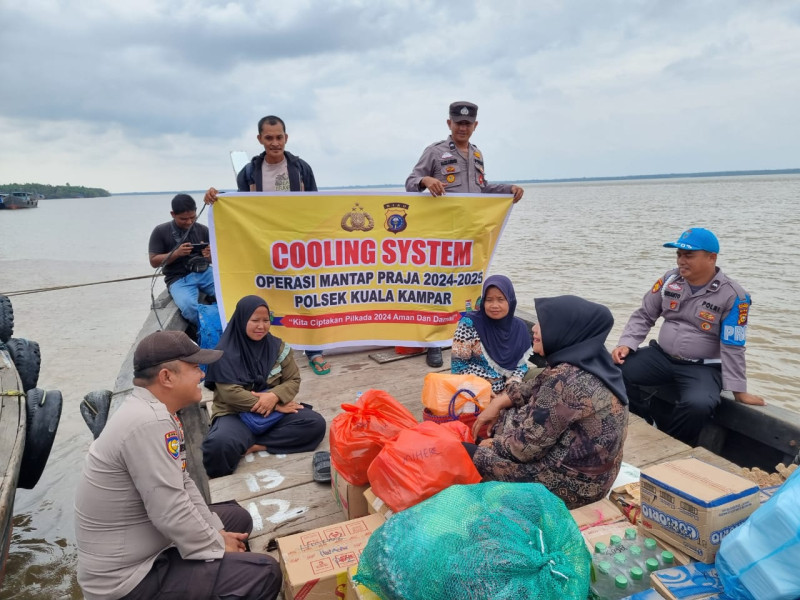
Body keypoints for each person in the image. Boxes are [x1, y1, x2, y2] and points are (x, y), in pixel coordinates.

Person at [74, 330, 282, 600]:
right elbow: (170, 510)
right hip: (129, 580)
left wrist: (216, 534)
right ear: (166, 377)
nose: (203, 375)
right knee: (263, 573)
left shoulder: (153, 410)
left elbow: (182, 483)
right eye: (195, 368)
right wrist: (218, 545)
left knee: (236, 518)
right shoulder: (148, 423)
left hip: (150, 542)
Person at [469, 295, 629, 509]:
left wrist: (490, 445)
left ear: (564, 329)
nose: (534, 328)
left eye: (543, 324)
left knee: (470, 454)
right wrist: (497, 403)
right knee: (507, 412)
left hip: (572, 489)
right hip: (600, 478)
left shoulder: (565, 380)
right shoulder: (593, 361)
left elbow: (523, 449)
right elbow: (533, 387)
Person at [611, 227, 765, 446]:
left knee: (699, 404)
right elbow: (645, 314)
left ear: (712, 258)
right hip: (661, 357)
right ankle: (644, 420)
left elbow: (733, 345)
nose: (681, 260)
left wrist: (739, 390)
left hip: (702, 368)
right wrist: (626, 343)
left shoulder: (734, 296)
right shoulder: (669, 280)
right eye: (679, 254)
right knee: (613, 370)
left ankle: (672, 444)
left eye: (689, 255)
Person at [204, 115, 330, 375]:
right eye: (269, 138)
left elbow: (316, 207)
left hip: (298, 246)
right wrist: (217, 199)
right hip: (263, 245)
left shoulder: (301, 168)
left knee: (305, 295)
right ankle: (269, 353)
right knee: (268, 297)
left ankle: (314, 351)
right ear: (260, 139)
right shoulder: (249, 172)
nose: (275, 143)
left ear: (286, 137)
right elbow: (239, 209)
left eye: (279, 137)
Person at [406, 101, 524, 368]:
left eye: (467, 123)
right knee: (437, 287)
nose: (462, 127)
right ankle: (434, 344)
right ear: (449, 123)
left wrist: (509, 189)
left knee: (468, 287)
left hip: (471, 236)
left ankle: (463, 337)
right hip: (443, 235)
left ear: (475, 126)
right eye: (458, 122)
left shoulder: (477, 154)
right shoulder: (434, 152)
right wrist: (425, 181)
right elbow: (410, 182)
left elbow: (481, 189)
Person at [202, 295, 327, 478]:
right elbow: (230, 394)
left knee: (315, 424)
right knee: (217, 445)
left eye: (266, 320)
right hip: (236, 414)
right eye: (254, 321)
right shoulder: (223, 352)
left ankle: (255, 445)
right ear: (242, 319)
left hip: (273, 414)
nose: (261, 326)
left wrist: (274, 396)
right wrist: (274, 404)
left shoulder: (277, 347)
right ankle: (242, 441)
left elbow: (293, 380)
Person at [450, 275, 532, 393]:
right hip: (472, 393)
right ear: (483, 301)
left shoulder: (519, 328)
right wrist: (481, 390)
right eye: (489, 300)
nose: (494, 305)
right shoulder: (469, 324)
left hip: (507, 394)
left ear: (510, 300)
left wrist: (511, 385)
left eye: (500, 299)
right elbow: (458, 367)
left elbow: (521, 365)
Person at [148, 193, 215, 328]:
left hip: (204, 272)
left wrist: (208, 255)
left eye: (192, 217)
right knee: (189, 308)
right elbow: (154, 261)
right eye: (183, 219)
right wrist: (176, 253)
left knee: (228, 293)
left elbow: (215, 259)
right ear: (173, 214)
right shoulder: (160, 231)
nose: (189, 222)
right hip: (178, 279)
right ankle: (209, 328)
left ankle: (219, 322)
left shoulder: (203, 230)